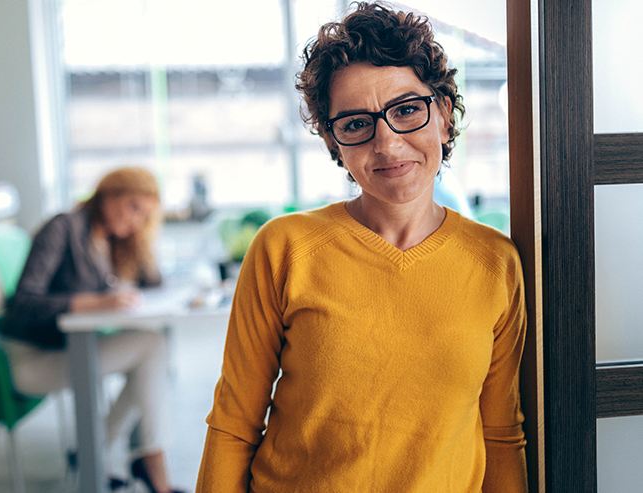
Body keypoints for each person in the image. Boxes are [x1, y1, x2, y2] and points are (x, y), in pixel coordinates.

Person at [196, 3, 528, 492]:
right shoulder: (284, 249)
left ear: (442, 115)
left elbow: (501, 434)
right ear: (335, 145)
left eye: (407, 110)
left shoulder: (495, 262)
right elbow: (233, 424)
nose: (388, 145)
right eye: (355, 124)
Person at [0, 167, 182, 493]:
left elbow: (153, 282)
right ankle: (149, 467)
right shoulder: (63, 228)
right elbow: (24, 303)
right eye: (133, 208)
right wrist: (96, 302)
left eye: (145, 216)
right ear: (108, 196)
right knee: (151, 347)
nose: (136, 220)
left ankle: (93, 454)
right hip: (32, 360)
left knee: (150, 356)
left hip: (70, 351)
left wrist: (141, 240)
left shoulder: (107, 238)